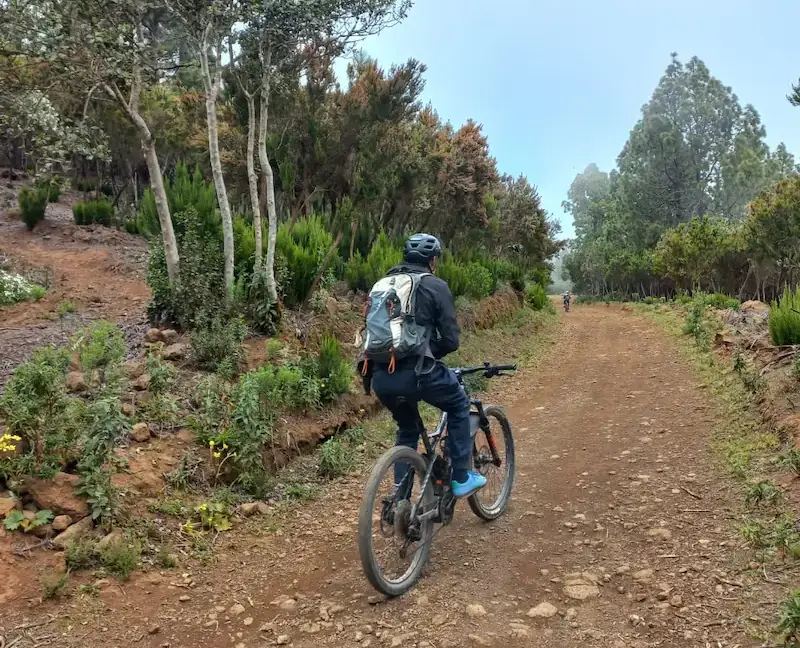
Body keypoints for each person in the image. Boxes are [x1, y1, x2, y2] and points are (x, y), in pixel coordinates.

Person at [366, 233, 487, 499]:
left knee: (407, 429)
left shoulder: (383, 283)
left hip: (380, 376)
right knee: (458, 404)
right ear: (432, 260)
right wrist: (431, 354)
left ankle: (400, 500)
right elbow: (451, 340)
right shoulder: (436, 286)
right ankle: (461, 478)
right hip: (419, 373)